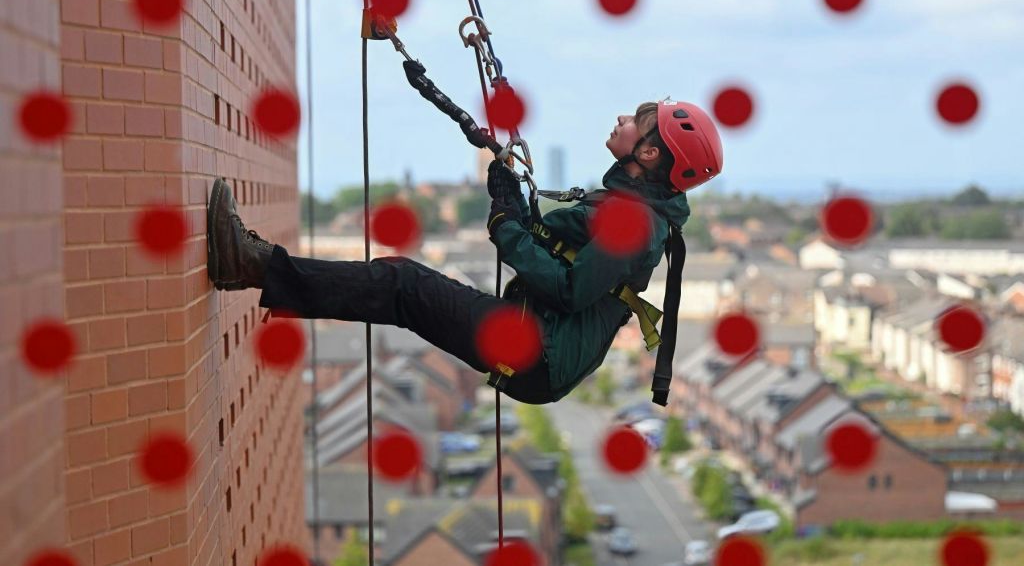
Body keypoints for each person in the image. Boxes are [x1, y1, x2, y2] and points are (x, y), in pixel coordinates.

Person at [206, 99, 722, 405]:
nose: (622, 117)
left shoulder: (635, 222)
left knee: (404, 285)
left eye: (636, 119)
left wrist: (507, 226)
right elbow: (558, 247)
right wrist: (512, 202)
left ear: (647, 152)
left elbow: (570, 289)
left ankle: (253, 266)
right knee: (402, 288)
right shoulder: (626, 207)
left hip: (539, 352)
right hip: (537, 341)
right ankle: (270, 277)